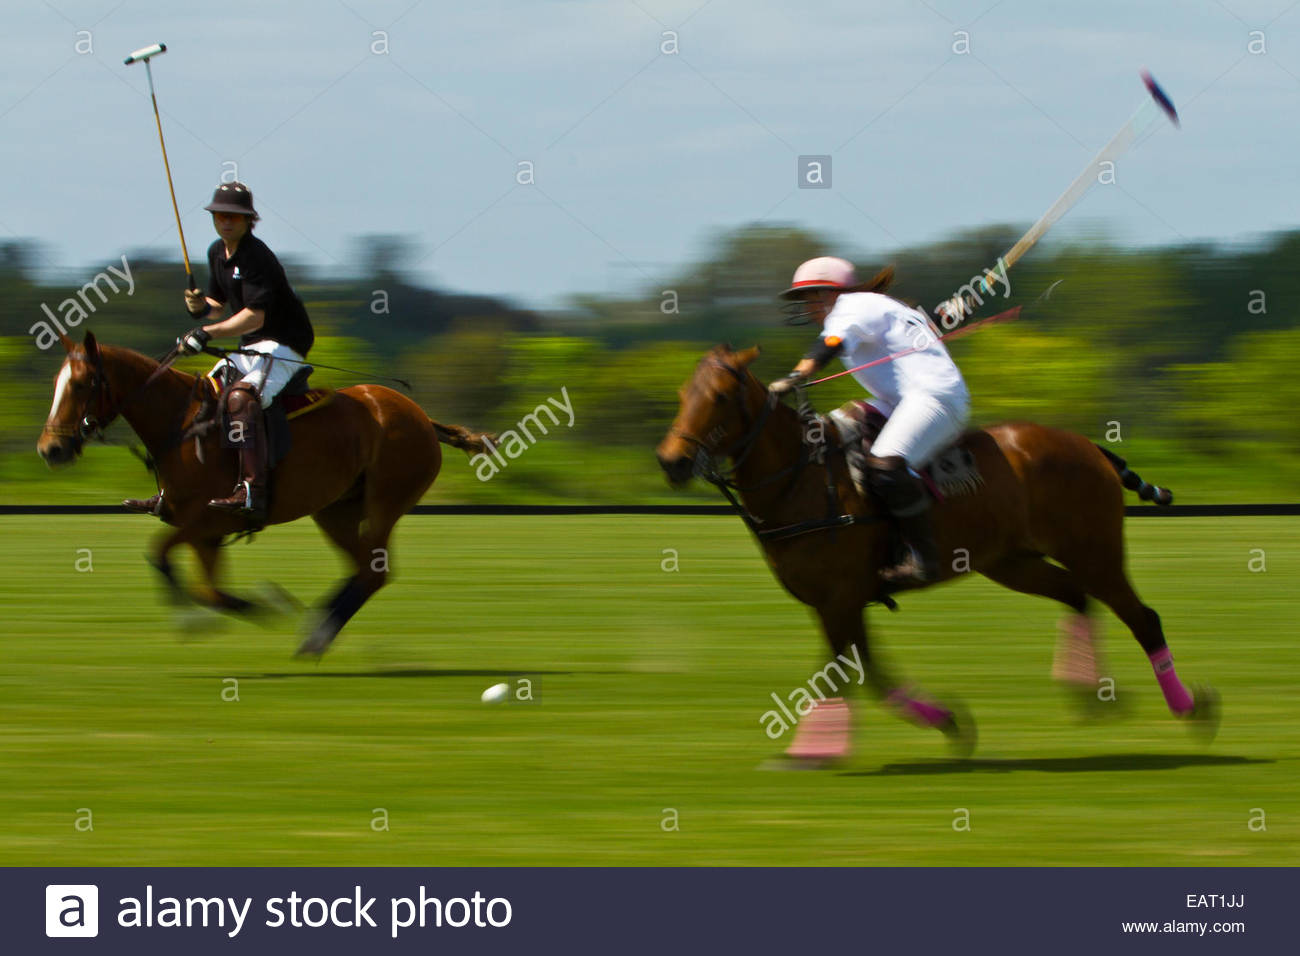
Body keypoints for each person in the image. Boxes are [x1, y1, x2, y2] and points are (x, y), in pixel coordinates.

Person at [769, 256, 970, 585]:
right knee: (837, 432)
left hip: (935, 397)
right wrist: (955, 309)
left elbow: (831, 343)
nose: (807, 307)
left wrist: (797, 375)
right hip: (902, 400)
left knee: (886, 467)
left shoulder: (850, 306)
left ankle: (923, 558)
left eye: (809, 297)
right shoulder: (875, 307)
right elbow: (925, 329)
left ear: (829, 293)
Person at [124, 182, 314, 522]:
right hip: (250, 345)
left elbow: (255, 315)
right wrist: (200, 307)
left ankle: (253, 489)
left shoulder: (257, 256)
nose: (226, 222)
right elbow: (218, 304)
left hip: (284, 343)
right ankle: (176, 487)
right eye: (220, 215)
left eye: (234, 217)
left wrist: (205, 331)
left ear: (249, 220)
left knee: (242, 399)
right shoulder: (217, 252)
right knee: (199, 398)